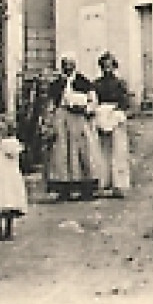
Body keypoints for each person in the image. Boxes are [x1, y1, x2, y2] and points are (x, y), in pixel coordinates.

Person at [43, 54, 99, 201]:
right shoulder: (56, 84)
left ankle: (85, 187)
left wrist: (86, 108)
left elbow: (93, 101)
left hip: (79, 119)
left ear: (75, 66)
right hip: (61, 118)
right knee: (61, 152)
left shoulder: (83, 82)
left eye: (70, 64)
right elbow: (50, 104)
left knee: (81, 151)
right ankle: (63, 188)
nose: (68, 68)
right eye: (65, 65)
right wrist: (49, 120)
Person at [0, 113, 29, 241]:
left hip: (9, 178)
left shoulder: (12, 144)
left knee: (9, 204)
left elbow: (11, 152)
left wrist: (0, 142)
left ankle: (8, 229)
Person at [91, 52, 133, 197]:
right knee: (101, 151)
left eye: (110, 66)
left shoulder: (120, 84)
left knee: (118, 151)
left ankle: (119, 184)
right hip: (101, 117)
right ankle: (103, 182)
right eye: (104, 66)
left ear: (114, 66)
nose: (107, 69)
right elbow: (93, 101)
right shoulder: (96, 84)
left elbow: (125, 102)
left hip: (115, 117)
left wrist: (117, 111)